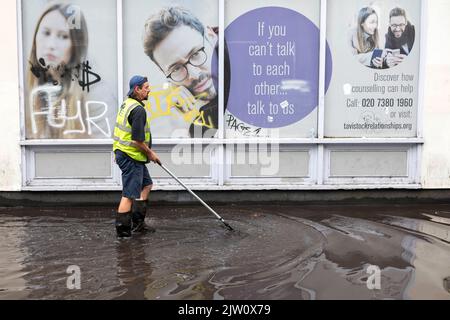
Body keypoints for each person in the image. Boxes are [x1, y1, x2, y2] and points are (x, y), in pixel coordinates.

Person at [142, 6, 230, 138]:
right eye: (176, 68)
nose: (194, 75)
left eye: (195, 54)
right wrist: (184, 125)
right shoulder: (184, 108)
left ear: (211, 37)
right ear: (164, 73)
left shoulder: (255, 67)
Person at [26, 3, 89, 139]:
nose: (51, 45)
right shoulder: (24, 91)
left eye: (63, 36)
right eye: (46, 33)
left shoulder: (92, 93)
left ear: (75, 46)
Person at [113, 75, 161, 238]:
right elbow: (137, 141)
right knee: (128, 195)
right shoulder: (138, 110)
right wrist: (151, 154)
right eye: (146, 87)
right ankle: (123, 234)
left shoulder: (127, 103)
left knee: (146, 185)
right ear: (137, 89)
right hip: (130, 156)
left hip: (129, 155)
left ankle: (138, 224)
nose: (149, 90)